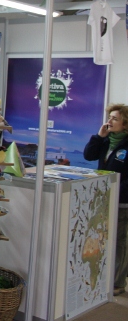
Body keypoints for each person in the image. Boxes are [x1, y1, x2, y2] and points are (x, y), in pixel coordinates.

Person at [83, 104, 128, 296]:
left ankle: (118, 282)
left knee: (120, 240)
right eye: (109, 117)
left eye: (115, 119)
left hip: (122, 199)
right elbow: (88, 155)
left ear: (125, 124)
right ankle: (103, 276)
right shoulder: (106, 140)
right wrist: (99, 137)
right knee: (103, 238)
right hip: (103, 198)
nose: (109, 121)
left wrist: (117, 190)